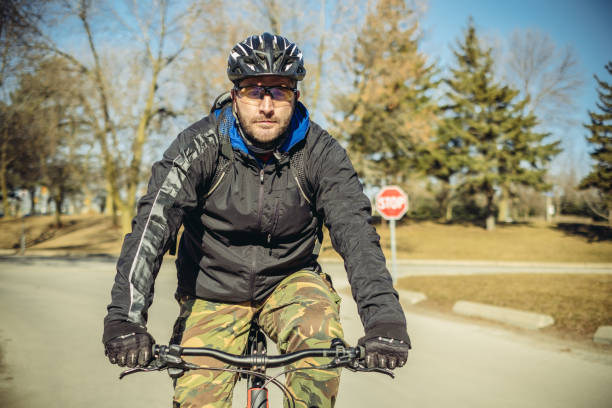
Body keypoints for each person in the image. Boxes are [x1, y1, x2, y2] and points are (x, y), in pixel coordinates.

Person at [103, 32, 410, 408]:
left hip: (291, 281)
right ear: (235, 96)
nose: (267, 105)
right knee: (198, 399)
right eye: (254, 91)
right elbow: (152, 223)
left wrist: (385, 322)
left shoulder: (320, 153)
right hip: (212, 288)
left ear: (296, 96)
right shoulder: (199, 145)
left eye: (280, 91)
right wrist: (126, 318)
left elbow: (357, 234)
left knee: (320, 354)